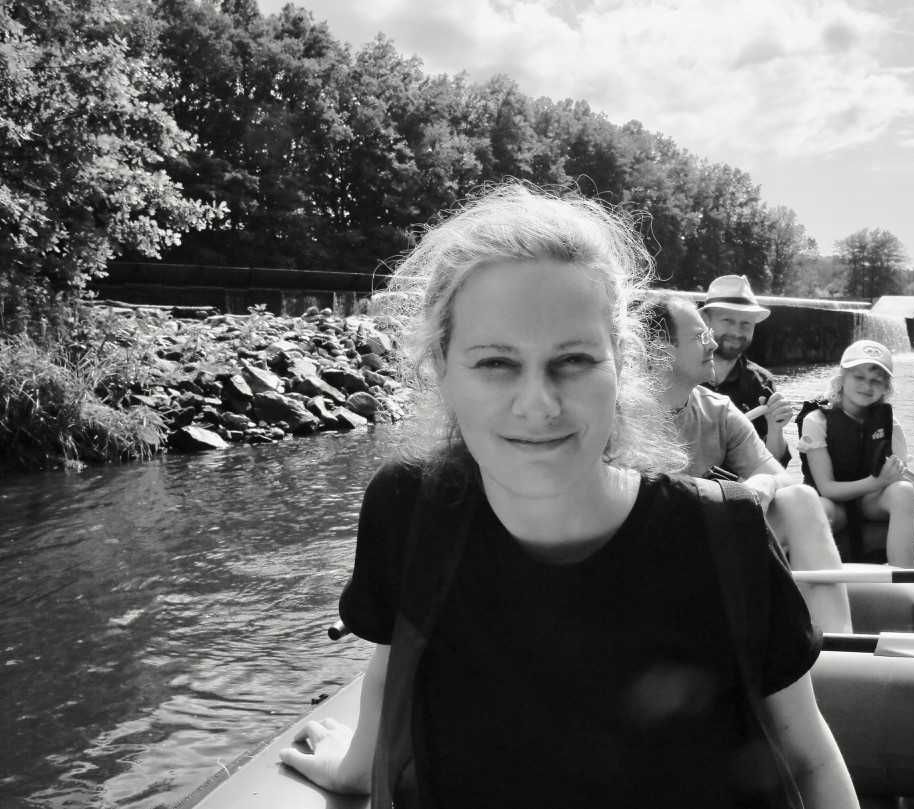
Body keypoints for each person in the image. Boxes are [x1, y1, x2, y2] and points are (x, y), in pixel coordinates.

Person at [279, 185, 859, 809]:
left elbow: (809, 758)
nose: (539, 404)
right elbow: (392, 666)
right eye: (496, 363)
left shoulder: (723, 533)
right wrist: (354, 769)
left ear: (622, 365)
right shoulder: (408, 509)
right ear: (441, 368)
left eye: (575, 360)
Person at [647, 293, 853, 634]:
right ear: (660, 351)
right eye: (700, 336)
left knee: (801, 498)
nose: (713, 343)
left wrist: (761, 485)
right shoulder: (614, 411)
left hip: (707, 541)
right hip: (647, 553)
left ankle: (836, 642)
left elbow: (781, 478)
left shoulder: (718, 410)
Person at [796, 340, 914, 568]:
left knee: (903, 491)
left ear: (886, 387)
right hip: (834, 504)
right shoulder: (816, 421)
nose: (867, 386)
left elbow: (901, 477)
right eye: (859, 377)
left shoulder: (890, 424)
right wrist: (876, 482)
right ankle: (812, 577)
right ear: (842, 379)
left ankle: (902, 576)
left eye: (876, 381)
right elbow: (827, 488)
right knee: (816, 508)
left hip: (871, 503)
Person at [700, 274, 795, 465]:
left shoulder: (762, 382)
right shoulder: (680, 372)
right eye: (728, 320)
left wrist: (775, 428)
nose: (737, 332)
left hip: (745, 482)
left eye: (746, 323)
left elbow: (775, 464)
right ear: (705, 321)